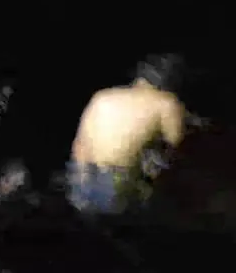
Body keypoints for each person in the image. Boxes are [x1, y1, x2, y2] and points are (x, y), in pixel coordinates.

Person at [68, 53, 187, 214]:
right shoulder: (166, 102)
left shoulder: (102, 96)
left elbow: (79, 145)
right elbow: (176, 145)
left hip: (80, 183)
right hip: (116, 189)